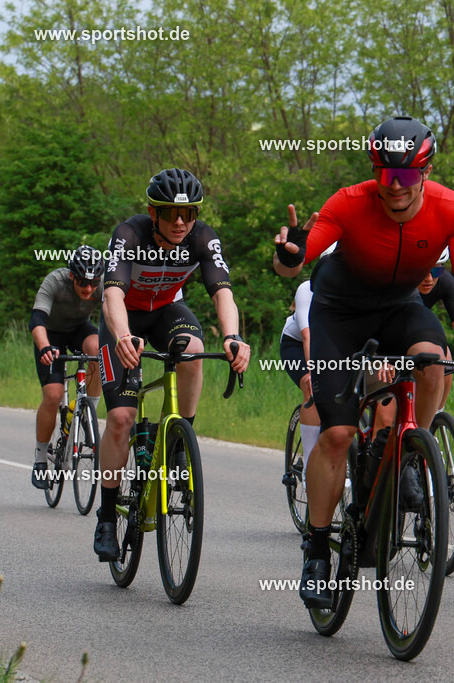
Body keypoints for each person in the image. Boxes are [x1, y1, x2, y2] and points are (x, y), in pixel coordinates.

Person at [272, 116, 454, 608]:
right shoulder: (348, 202)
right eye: (384, 174)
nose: (394, 186)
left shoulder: (452, 208)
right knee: (338, 433)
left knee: (433, 362)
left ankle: (410, 449)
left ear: (426, 172)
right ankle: (316, 548)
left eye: (405, 175)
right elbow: (296, 259)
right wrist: (290, 256)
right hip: (339, 314)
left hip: (400, 307)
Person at [93, 168, 251, 561]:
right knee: (121, 419)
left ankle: (181, 437)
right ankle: (107, 515)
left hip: (166, 311)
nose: (181, 222)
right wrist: (123, 335)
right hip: (124, 317)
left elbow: (223, 293)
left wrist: (232, 336)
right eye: (171, 214)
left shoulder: (202, 238)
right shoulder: (129, 234)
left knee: (193, 350)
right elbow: (112, 295)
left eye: (189, 213)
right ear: (153, 213)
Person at [29, 245, 104, 489]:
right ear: (72, 275)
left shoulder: (102, 285)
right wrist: (44, 347)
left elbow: (117, 314)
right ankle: (41, 460)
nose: (89, 288)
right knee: (53, 395)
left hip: (79, 329)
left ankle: (88, 413)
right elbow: (37, 319)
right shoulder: (55, 281)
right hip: (51, 336)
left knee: (97, 349)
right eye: (82, 282)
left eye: (94, 283)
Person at [278, 245, 336, 487]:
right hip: (297, 344)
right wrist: (314, 372)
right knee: (311, 386)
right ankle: (310, 466)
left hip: (333, 345)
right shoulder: (307, 290)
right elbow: (308, 335)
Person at [419, 248, 454, 410]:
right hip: (384, 328)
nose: (429, 278)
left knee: (445, 354)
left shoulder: (446, 281)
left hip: (416, 326)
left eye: (436, 271)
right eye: (422, 271)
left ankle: (437, 413)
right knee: (386, 418)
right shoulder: (399, 280)